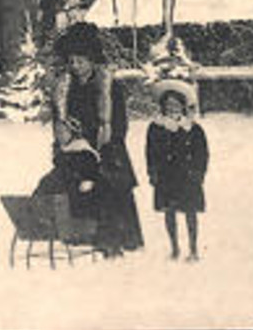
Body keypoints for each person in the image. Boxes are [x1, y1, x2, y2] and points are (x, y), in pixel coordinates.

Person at [49, 21, 145, 258]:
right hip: (79, 149)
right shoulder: (65, 88)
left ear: (91, 60)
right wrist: (67, 138)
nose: (76, 66)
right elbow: (59, 119)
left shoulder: (108, 87)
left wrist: (105, 143)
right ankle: (86, 234)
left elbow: (119, 122)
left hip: (107, 147)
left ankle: (117, 240)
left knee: (110, 190)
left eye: (80, 61)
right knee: (73, 184)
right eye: (72, 61)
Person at [145, 79, 210, 261]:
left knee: (190, 212)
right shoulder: (156, 127)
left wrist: (198, 173)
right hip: (166, 176)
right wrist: (152, 172)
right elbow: (149, 152)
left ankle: (193, 249)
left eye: (176, 104)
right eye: (168, 105)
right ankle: (174, 248)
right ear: (163, 107)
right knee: (169, 211)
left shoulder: (193, 129)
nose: (172, 108)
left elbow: (202, 154)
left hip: (187, 176)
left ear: (183, 106)